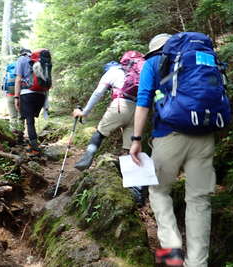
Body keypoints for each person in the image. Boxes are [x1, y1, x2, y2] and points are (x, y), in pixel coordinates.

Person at [129, 33, 218, 267]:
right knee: (199, 200)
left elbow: (143, 101)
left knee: (158, 191)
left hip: (168, 136)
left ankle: (172, 254)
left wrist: (136, 139)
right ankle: (198, 263)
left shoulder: (152, 63)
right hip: (205, 136)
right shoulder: (200, 59)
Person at [72, 52, 146, 206]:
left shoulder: (111, 73)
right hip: (139, 109)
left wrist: (84, 112)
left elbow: (98, 93)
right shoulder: (135, 72)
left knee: (100, 132)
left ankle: (86, 159)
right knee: (131, 148)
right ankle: (137, 191)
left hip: (120, 105)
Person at [14, 48, 48, 156]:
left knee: (29, 121)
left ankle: (34, 148)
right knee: (31, 119)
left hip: (27, 94)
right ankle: (34, 143)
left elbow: (18, 79)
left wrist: (16, 97)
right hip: (41, 95)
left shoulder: (21, 59)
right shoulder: (38, 60)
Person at [1, 62, 24, 136]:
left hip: (10, 96)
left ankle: (14, 133)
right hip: (20, 96)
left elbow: (4, 87)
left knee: (13, 116)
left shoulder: (7, 74)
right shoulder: (21, 73)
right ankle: (20, 135)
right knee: (21, 116)